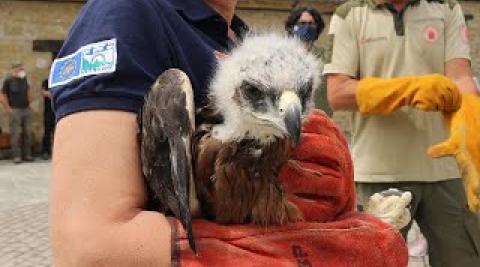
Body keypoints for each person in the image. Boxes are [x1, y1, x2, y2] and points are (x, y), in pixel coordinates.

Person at [49, 0, 407, 266]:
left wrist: (349, 222)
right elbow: (88, 247)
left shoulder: (242, 36)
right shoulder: (127, 13)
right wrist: (309, 253)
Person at [324, 0, 480, 266]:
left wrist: (472, 129)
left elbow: (460, 78)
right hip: (377, 173)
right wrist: (408, 89)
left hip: (446, 170)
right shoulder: (350, 14)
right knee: (372, 261)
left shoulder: (446, 8)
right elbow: (337, 93)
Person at [285, 6, 333, 116]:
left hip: (320, 115)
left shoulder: (325, 57)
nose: (307, 27)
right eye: (302, 23)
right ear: (293, 27)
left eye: (311, 24)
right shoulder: (283, 55)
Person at [1, 63, 34, 164]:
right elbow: (2, 95)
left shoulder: (24, 80)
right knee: (15, 133)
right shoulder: (8, 81)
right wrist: (8, 108)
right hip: (15, 110)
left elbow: (28, 91)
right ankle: (16, 156)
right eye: (19, 69)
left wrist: (30, 104)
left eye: (22, 69)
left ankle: (27, 155)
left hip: (26, 109)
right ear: (13, 70)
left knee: (27, 132)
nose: (21, 71)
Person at [40, 79, 54, 160]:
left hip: (58, 111)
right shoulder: (46, 81)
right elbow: (44, 93)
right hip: (48, 112)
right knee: (47, 132)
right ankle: (45, 152)